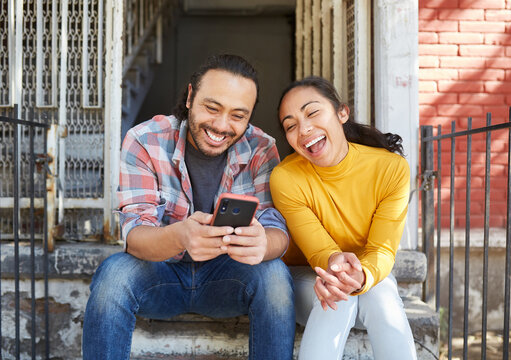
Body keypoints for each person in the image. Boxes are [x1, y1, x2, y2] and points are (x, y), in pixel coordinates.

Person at [82, 54, 296, 360]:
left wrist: (264, 244)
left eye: (238, 115)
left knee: (274, 276)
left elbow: (277, 230)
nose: (222, 125)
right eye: (212, 108)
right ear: (191, 97)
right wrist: (181, 236)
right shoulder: (144, 140)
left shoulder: (262, 148)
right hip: (160, 275)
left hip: (228, 279)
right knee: (114, 276)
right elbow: (135, 237)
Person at [269, 76, 417, 360]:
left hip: (366, 284)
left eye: (312, 112)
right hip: (307, 281)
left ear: (342, 113)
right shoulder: (286, 177)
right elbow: (320, 250)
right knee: (338, 296)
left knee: (381, 291)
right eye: (291, 125)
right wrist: (337, 267)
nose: (304, 129)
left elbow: (382, 249)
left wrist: (362, 275)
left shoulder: (391, 169)